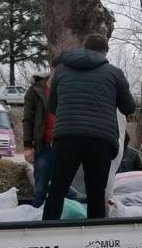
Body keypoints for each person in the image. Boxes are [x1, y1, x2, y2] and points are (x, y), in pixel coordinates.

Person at [42, 34, 136, 220]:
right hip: (100, 140)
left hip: (66, 137)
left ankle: (47, 234)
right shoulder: (114, 73)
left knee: (57, 189)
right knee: (96, 192)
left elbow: (52, 107)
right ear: (104, 52)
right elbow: (129, 107)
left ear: (84, 47)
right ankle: (95, 238)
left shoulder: (61, 71)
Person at [22, 72, 54, 207]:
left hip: (64, 146)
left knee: (63, 186)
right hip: (43, 145)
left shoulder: (67, 88)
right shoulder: (35, 91)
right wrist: (28, 146)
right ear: (52, 69)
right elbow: (27, 119)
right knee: (40, 187)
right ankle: (36, 222)